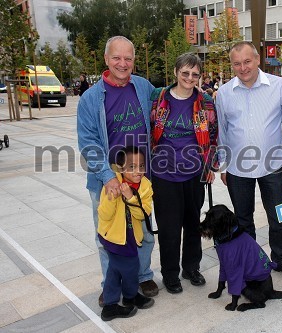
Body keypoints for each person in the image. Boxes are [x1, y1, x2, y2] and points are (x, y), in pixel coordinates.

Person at [77, 36, 158, 307]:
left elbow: (168, 102)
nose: (122, 64)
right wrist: (108, 176)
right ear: (106, 59)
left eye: (128, 58)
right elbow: (88, 142)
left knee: (143, 229)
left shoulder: (143, 87)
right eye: (116, 58)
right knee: (107, 234)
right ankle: (111, 283)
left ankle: (143, 275)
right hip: (106, 177)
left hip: (140, 175)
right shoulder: (91, 98)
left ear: (134, 61)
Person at [216, 41, 282, 282]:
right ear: (232, 65)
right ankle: (251, 262)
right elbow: (222, 132)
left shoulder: (279, 86)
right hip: (237, 168)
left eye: (247, 61)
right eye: (237, 63)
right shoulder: (223, 93)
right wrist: (223, 165)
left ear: (257, 60)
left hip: (273, 166)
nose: (243, 68)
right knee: (243, 220)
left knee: (279, 217)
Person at [150, 53, 218, 294]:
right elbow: (149, 129)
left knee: (192, 224)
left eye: (195, 74)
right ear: (177, 72)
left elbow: (213, 134)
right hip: (163, 174)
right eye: (185, 73)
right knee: (169, 228)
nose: (190, 78)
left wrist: (210, 166)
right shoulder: (159, 98)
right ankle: (169, 273)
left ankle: (191, 268)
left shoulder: (206, 101)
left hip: (194, 173)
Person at [98, 146, 154, 321]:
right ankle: (128, 297)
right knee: (130, 268)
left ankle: (111, 304)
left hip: (131, 236)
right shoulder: (112, 184)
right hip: (113, 237)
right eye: (132, 167)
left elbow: (143, 214)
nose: (138, 171)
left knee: (115, 270)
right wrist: (111, 197)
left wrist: (130, 197)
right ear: (121, 168)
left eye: (142, 166)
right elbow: (104, 214)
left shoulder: (145, 185)